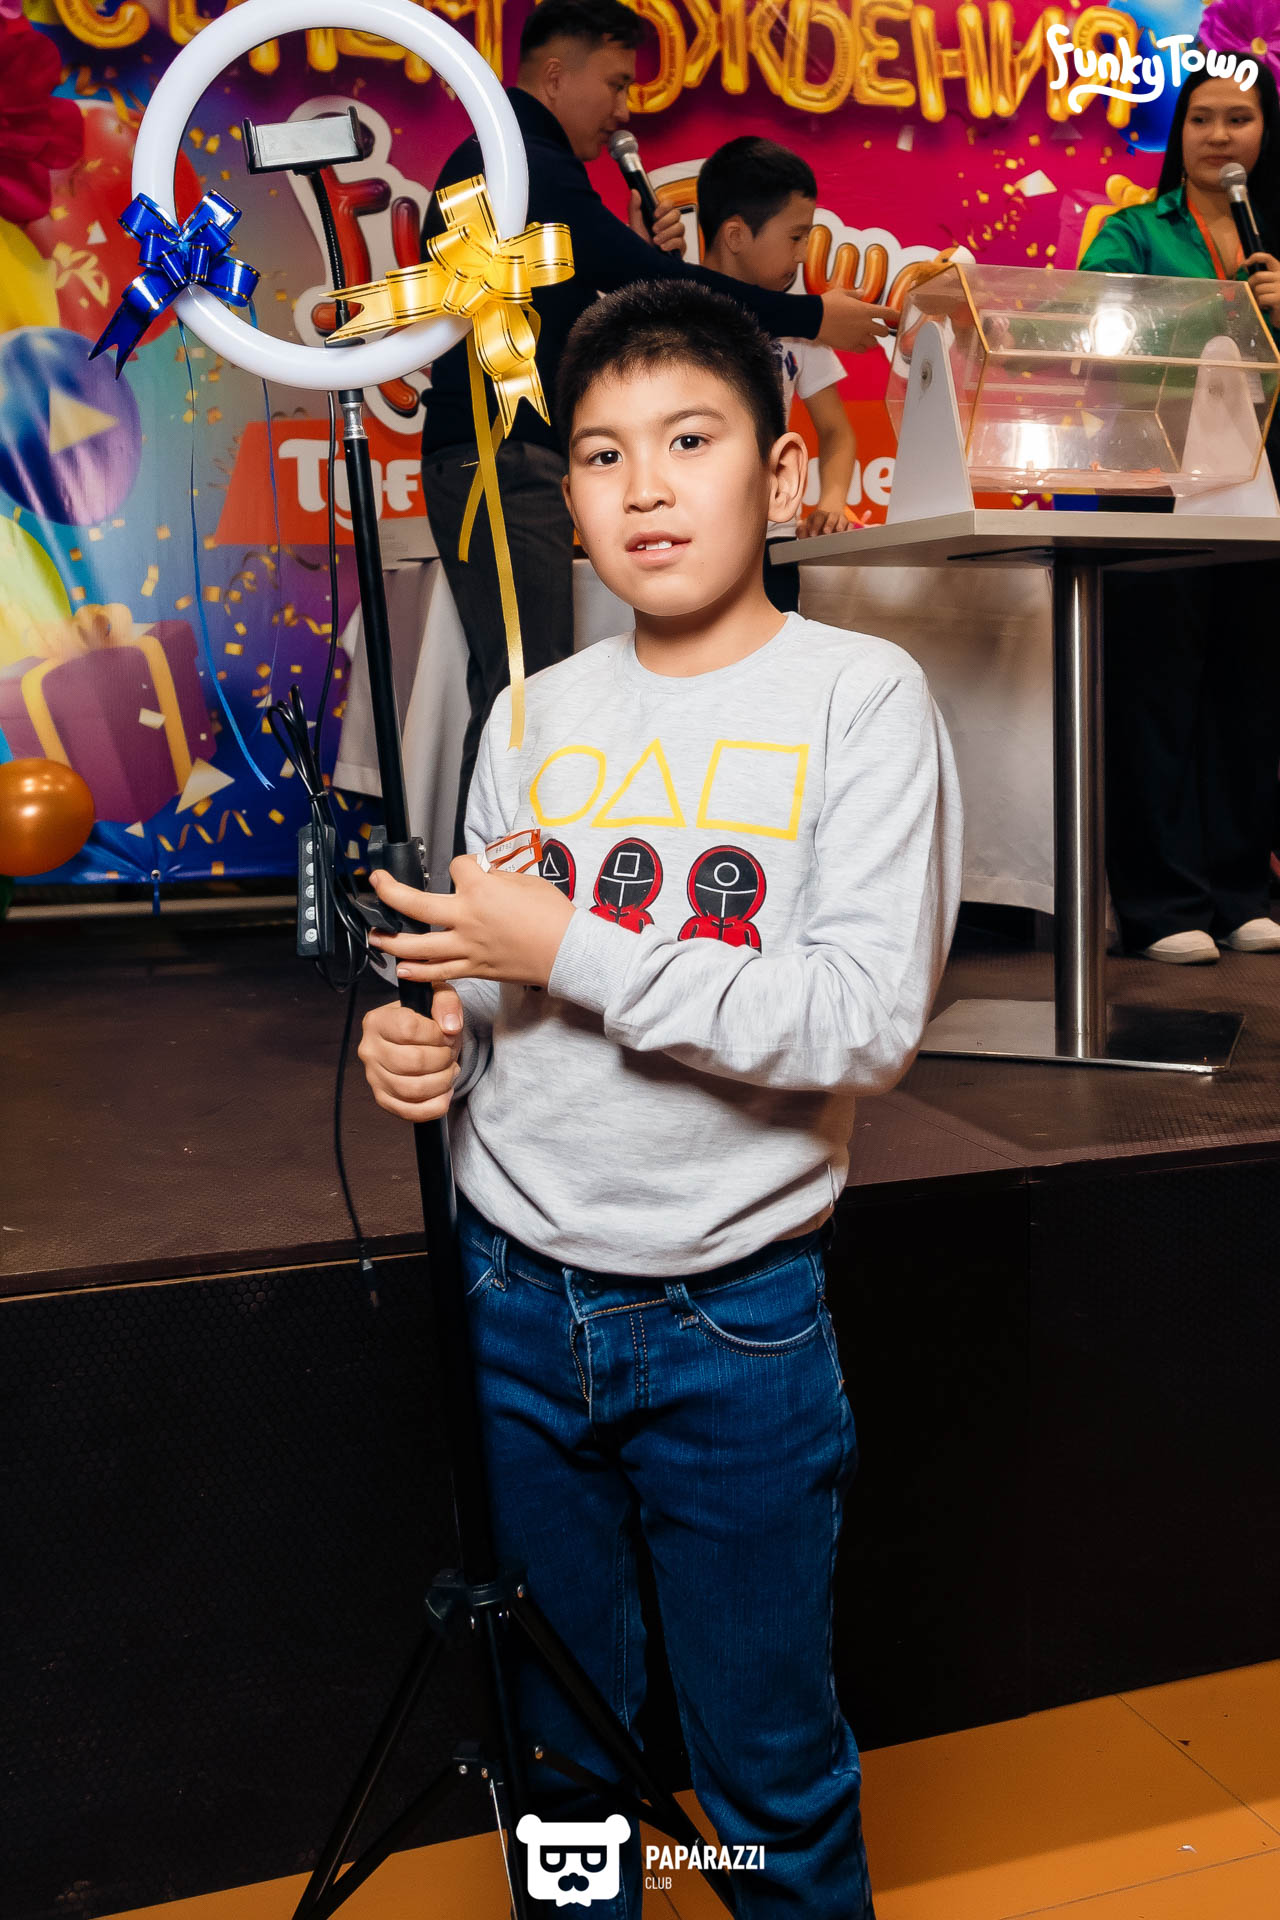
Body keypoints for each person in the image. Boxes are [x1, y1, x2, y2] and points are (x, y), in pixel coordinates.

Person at [361, 280, 961, 1917]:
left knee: (766, 1771)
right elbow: (488, 987)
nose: (643, 488)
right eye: (603, 454)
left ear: (782, 475)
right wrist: (432, 1042)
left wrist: (571, 945)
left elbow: (860, 1021)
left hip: (732, 1319)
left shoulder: (858, 699)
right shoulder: (532, 716)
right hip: (511, 1298)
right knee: (563, 1762)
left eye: (690, 441)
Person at [419, 0, 897, 854]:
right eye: (614, 83)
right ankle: (482, 909)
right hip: (499, 454)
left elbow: (594, 297)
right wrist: (812, 317)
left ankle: (502, 900)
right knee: (520, 695)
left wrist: (630, 265)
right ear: (555, 73)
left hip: (512, 451)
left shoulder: (518, 160)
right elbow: (653, 283)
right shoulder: (521, 159)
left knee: (522, 688)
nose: (623, 108)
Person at [1081, 61, 1280, 961]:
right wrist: (1219, 311)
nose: (1219, 136)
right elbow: (1100, 327)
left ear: (1266, 132)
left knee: (1251, 692)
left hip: (1264, 489)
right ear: (1180, 132)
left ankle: (1240, 891)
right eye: (1201, 118)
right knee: (1156, 692)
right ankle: (1163, 904)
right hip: (1156, 482)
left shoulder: (1271, 237)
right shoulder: (1133, 230)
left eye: (1239, 118)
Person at [698, 136, 859, 613]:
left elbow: (837, 431)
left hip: (775, 541)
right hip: (696, 537)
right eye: (795, 237)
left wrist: (831, 502)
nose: (804, 254)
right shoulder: (678, 316)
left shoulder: (802, 329)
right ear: (735, 236)